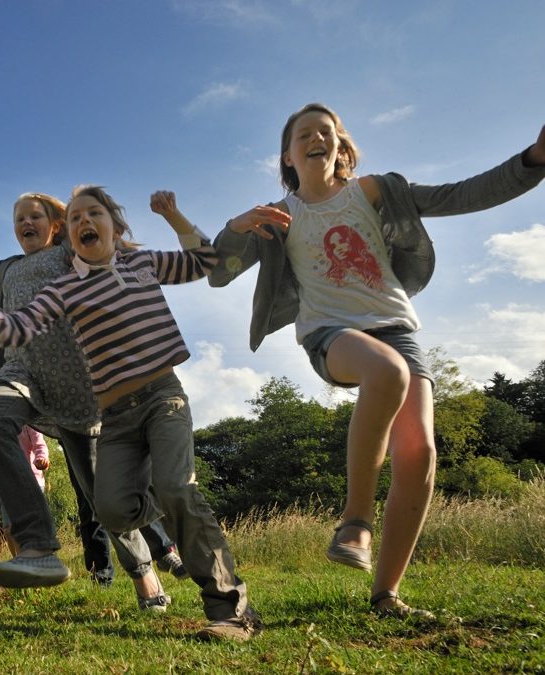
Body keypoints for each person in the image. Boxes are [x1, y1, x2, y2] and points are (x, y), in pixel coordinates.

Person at [209, 103, 545, 620]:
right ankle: (355, 520)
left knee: (419, 454)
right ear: (288, 155)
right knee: (386, 370)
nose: (319, 138)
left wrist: (534, 158)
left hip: (396, 327)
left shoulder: (373, 192)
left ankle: (385, 595)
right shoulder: (280, 218)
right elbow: (218, 271)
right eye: (306, 134)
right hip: (330, 334)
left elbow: (459, 195)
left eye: (329, 132)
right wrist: (236, 226)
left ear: (342, 148)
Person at [0, 187, 261, 641]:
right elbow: (16, 327)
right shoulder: (62, 288)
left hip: (157, 396)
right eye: (76, 218)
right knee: (112, 509)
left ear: (114, 227)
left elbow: (203, 260)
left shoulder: (141, 264)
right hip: (112, 413)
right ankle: (151, 519)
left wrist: (176, 215)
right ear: (67, 233)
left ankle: (232, 610)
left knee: (176, 487)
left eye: (94, 214)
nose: (83, 222)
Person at [0, 192, 172, 613]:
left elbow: (109, 258)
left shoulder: (69, 252)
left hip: (79, 383)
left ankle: (145, 572)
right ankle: (37, 544)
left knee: (103, 497)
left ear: (55, 225)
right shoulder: (5, 268)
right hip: (21, 371)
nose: (25, 223)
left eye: (34, 216)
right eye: (18, 218)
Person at [0, 425, 51, 556]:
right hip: (7, 483)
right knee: (9, 528)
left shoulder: (29, 424)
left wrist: (41, 458)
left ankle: (33, 560)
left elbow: (40, 445)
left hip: (31, 481)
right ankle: (18, 560)